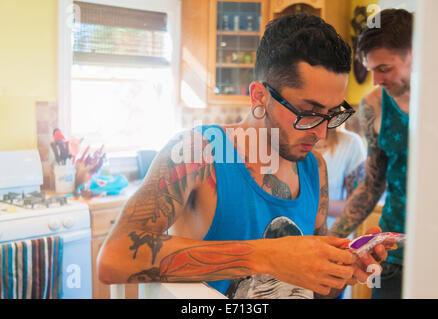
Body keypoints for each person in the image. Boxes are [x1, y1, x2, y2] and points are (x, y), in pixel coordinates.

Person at [97, 13, 387, 299]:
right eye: (309, 113)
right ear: (259, 96)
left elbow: (314, 289)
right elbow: (114, 259)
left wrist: (345, 271)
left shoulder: (315, 168)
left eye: (332, 113)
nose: (322, 133)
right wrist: (266, 256)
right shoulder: (199, 152)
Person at [329, 9, 413, 299]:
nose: (375, 79)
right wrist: (331, 238)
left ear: (414, 54)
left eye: (384, 68)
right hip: (391, 255)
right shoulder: (373, 106)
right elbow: (372, 184)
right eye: (370, 68)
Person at [314, 127, 367, 230]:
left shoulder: (350, 143)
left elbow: (358, 204)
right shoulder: (283, 142)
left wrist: (313, 204)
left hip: (332, 233)